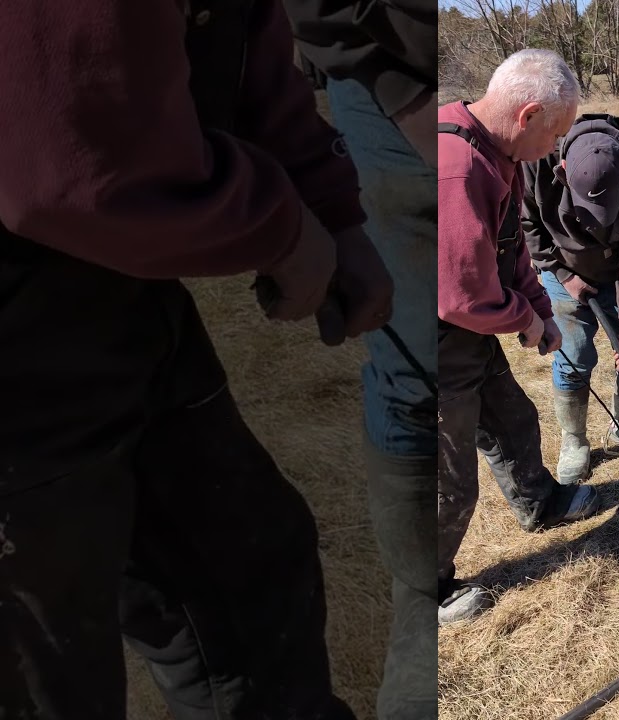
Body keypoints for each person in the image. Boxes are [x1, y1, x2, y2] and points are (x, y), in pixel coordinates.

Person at [0, 1, 394, 718]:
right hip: (24, 299)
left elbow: (236, 31)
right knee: (46, 675)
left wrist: (330, 205)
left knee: (247, 576)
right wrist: (280, 229)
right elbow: (72, 154)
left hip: (111, 291)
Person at [284, 3, 441, 718]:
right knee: (416, 373)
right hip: (386, 77)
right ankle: (421, 597)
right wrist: (408, 99)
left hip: (493, 94)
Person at [437, 49, 603, 626]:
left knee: (511, 417)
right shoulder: (457, 167)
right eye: (556, 133)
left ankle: (540, 503)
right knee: (445, 478)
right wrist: (527, 323)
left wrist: (540, 310)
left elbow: (512, 257)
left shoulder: (499, 152)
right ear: (528, 115)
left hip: (465, 335)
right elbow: (459, 296)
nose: (557, 149)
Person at [521, 112, 619, 484]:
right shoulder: (537, 160)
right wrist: (564, 275)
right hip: (562, 270)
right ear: (564, 170)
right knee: (575, 359)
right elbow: (525, 223)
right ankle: (574, 442)